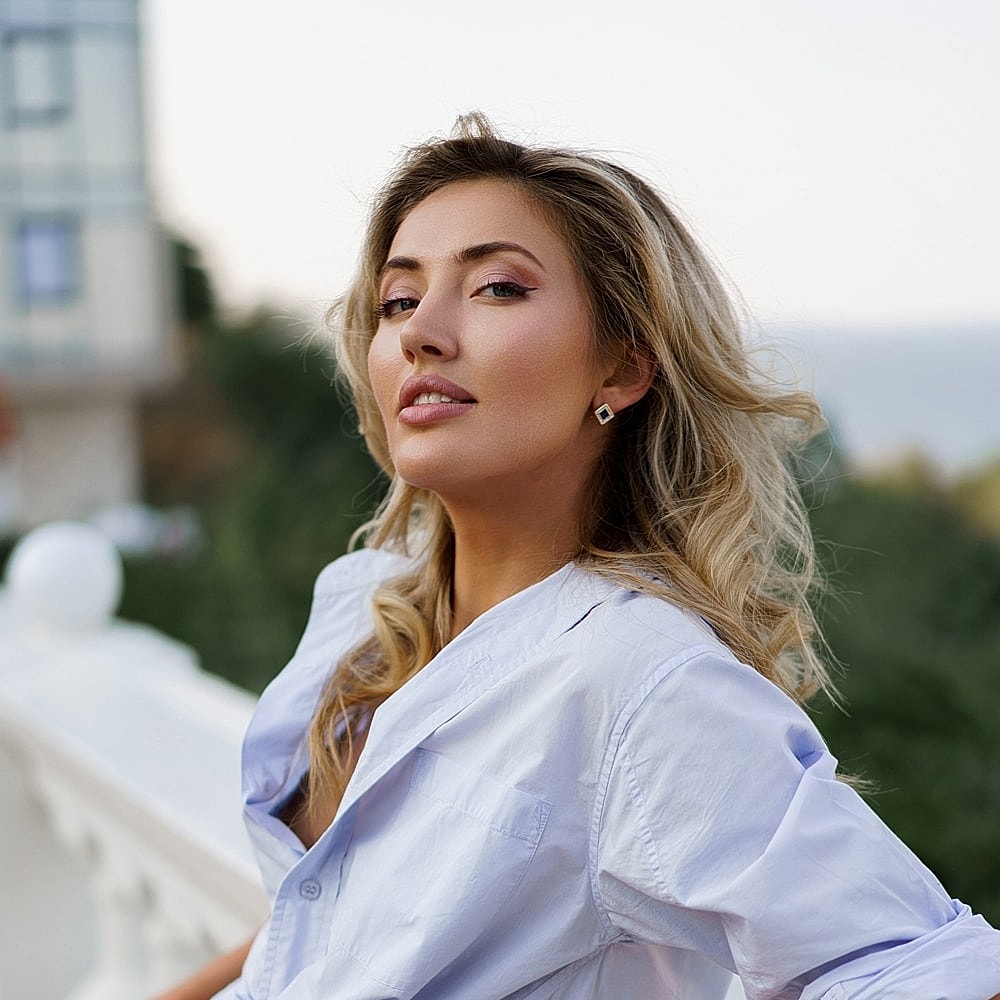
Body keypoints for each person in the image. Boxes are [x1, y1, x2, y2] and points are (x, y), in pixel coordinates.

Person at [158, 114, 1000, 999]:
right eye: (399, 300)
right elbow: (328, 924)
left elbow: (914, 965)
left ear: (622, 369)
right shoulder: (365, 607)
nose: (421, 333)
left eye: (496, 288)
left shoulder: (641, 681)